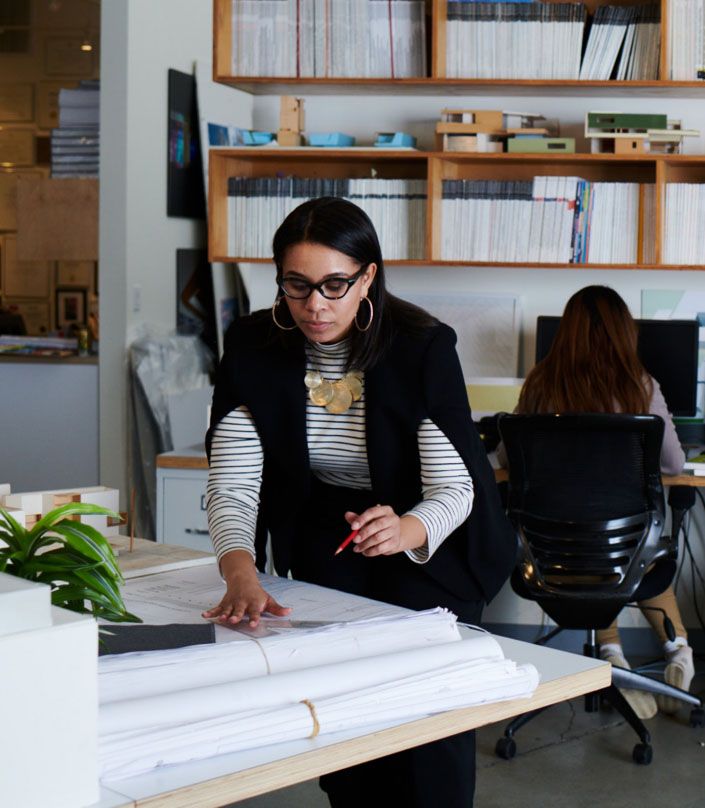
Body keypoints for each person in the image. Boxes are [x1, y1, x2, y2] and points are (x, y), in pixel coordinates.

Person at [202, 196, 516, 807]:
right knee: (347, 748)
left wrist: (406, 528)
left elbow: (457, 488)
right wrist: (239, 569)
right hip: (332, 548)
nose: (314, 304)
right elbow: (235, 481)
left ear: (368, 276)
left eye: (334, 284)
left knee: (427, 750)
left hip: (430, 550)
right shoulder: (253, 346)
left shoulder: (420, 347)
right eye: (296, 285)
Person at [503, 285, 694, 720]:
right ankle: (678, 651)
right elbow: (674, 462)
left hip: (553, 557)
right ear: (625, 334)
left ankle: (612, 656)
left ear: (565, 334)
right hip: (623, 555)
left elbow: (506, 459)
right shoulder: (639, 387)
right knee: (639, 549)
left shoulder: (539, 385)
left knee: (596, 552)